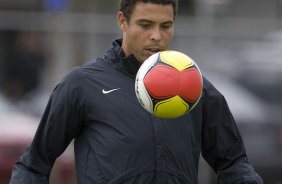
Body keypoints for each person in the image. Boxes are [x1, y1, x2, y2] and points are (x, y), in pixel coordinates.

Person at [10, 0, 263, 183]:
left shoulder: (195, 87)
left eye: (166, 26)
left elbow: (233, 163)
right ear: (122, 21)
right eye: (145, 24)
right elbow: (34, 165)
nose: (156, 36)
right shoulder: (82, 84)